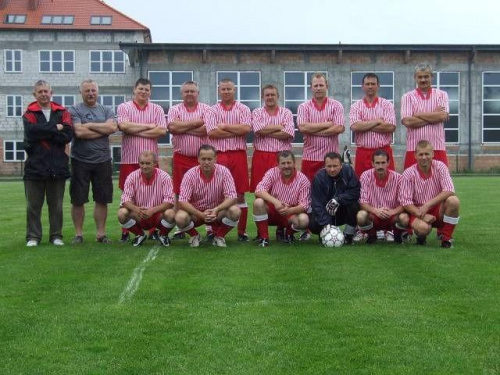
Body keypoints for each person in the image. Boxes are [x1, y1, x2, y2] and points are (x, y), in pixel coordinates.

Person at [23, 80, 73, 247]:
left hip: (57, 166)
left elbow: (67, 135)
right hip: (34, 167)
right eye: (40, 92)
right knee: (33, 206)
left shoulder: (62, 111)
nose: (43, 94)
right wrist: (55, 128)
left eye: (46, 91)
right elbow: (31, 133)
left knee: (56, 205)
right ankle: (33, 237)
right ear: (34, 95)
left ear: (51, 93)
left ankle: (56, 236)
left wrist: (44, 131)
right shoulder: (29, 113)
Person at [117, 78, 168, 242]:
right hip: (129, 159)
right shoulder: (124, 106)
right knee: (127, 196)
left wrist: (135, 129)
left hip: (150, 159)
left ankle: (153, 229)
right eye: (141, 89)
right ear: (134, 89)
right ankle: (126, 230)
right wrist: (148, 126)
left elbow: (161, 130)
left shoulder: (157, 108)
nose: (143, 92)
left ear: (150, 92)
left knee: (154, 194)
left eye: (146, 89)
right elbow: (124, 126)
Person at [69, 79, 117, 244]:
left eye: (93, 90)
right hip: (79, 160)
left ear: (98, 91)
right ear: (81, 92)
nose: (90, 93)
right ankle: (78, 234)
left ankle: (101, 234)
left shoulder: (107, 109)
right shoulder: (74, 109)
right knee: (78, 199)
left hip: (102, 160)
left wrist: (88, 124)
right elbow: (79, 133)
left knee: (102, 199)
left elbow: (111, 129)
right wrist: (101, 129)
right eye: (87, 90)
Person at [206, 78, 251, 242]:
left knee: (239, 194)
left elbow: (246, 129)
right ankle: (212, 229)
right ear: (219, 91)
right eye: (223, 89)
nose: (226, 92)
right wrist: (235, 130)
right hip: (219, 155)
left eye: (229, 89)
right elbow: (212, 132)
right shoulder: (212, 110)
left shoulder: (244, 108)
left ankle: (242, 231)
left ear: (234, 90)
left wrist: (224, 127)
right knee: (216, 194)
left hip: (238, 154)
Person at [175, 145, 240, 248]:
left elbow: (232, 196)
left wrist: (217, 209)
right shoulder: (190, 174)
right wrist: (200, 214)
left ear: (215, 159)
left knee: (235, 211)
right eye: (203, 159)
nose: (206, 162)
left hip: (217, 212)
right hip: (196, 213)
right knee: (180, 217)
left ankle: (219, 236)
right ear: (198, 159)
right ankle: (195, 235)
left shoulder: (224, 171)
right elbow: (183, 201)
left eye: (209, 159)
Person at [398, 140, 460, 248]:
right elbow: (405, 202)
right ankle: (421, 237)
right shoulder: (408, 173)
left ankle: (446, 238)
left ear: (433, 154)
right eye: (421, 154)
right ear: (415, 155)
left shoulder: (440, 166)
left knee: (454, 201)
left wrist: (428, 205)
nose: (424, 157)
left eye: (427, 154)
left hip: (437, 209)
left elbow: (450, 190)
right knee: (423, 229)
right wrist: (421, 214)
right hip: (418, 210)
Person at [117, 151, 176, 247]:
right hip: (139, 214)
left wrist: (152, 210)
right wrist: (137, 210)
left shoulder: (165, 177)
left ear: (155, 163)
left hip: (158, 214)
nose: (144, 166)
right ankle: (139, 235)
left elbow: (170, 201)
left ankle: (163, 235)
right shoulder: (132, 177)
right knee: (122, 213)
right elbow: (125, 200)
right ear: (138, 163)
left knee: (171, 213)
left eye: (148, 163)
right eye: (142, 163)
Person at [253, 151, 311, 247]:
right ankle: (264, 238)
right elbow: (258, 190)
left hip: (291, 212)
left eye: (289, 163)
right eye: (283, 163)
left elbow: (304, 205)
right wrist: (276, 202)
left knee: (304, 220)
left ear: (294, 163)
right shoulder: (272, 172)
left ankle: (288, 234)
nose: (286, 166)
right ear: (278, 164)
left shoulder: (303, 179)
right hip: (273, 210)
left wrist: (289, 210)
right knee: (258, 202)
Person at [297, 73, 345, 182]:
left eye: (321, 85)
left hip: (331, 160)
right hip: (309, 158)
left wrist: (312, 130)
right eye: (316, 86)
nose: (318, 88)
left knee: (332, 192)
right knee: (308, 192)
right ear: (311, 87)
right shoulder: (303, 107)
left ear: (327, 85)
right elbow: (303, 128)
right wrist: (327, 124)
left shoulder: (336, 105)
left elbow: (338, 128)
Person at [167, 80, 211, 198]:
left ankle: (201, 215)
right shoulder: (174, 109)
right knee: (179, 192)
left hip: (202, 159)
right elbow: (172, 127)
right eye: (186, 91)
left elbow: (205, 130)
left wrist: (182, 127)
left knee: (203, 191)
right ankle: (179, 216)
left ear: (198, 93)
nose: (189, 93)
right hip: (181, 157)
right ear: (182, 94)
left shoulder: (207, 109)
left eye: (192, 91)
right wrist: (197, 122)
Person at [401, 63, 449, 169]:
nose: (423, 80)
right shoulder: (407, 97)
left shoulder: (442, 95)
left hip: (437, 147)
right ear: (415, 78)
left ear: (432, 77)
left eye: (426, 76)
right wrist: (433, 116)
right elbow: (408, 122)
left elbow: (442, 116)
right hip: (414, 149)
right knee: (412, 183)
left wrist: (418, 114)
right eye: (420, 77)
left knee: (440, 183)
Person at [349, 73, 396, 177]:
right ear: (363, 86)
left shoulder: (387, 105)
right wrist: (377, 121)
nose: (370, 86)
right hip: (363, 153)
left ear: (378, 86)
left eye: (373, 84)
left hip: (384, 151)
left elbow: (390, 127)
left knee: (387, 183)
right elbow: (355, 127)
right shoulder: (356, 106)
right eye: (367, 84)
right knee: (362, 184)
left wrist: (364, 124)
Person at [250, 84, 294, 192]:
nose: (270, 97)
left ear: (278, 96)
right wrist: (279, 127)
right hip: (261, 155)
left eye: (273, 95)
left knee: (282, 189)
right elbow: (257, 130)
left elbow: (288, 133)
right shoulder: (256, 112)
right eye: (267, 95)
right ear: (263, 97)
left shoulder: (286, 112)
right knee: (260, 190)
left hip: (282, 156)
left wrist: (264, 131)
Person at [309, 152, 360, 244]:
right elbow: (317, 204)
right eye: (329, 166)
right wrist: (326, 224)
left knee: (354, 206)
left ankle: (348, 235)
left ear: (341, 165)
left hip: (343, 212)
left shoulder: (348, 172)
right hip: (326, 212)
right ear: (324, 166)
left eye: (335, 166)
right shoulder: (318, 178)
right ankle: (325, 233)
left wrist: (338, 199)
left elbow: (355, 192)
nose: (332, 169)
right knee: (312, 224)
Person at [356, 149, 405, 244]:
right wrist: (376, 211)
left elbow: (405, 203)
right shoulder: (365, 176)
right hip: (374, 215)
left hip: (392, 215)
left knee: (404, 218)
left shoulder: (399, 178)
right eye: (377, 163)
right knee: (361, 216)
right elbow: (362, 202)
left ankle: (397, 236)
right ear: (372, 163)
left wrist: (392, 212)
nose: (380, 166)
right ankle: (371, 235)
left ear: (388, 163)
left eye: (383, 163)